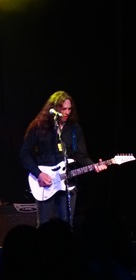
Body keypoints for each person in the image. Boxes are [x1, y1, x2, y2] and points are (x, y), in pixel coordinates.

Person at [19, 90, 106, 227]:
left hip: (67, 182)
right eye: (63, 109)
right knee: (44, 225)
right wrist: (38, 174)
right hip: (45, 183)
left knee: (66, 224)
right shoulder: (39, 127)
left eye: (69, 109)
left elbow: (81, 155)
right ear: (53, 109)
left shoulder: (74, 129)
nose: (67, 112)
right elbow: (25, 153)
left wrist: (94, 165)